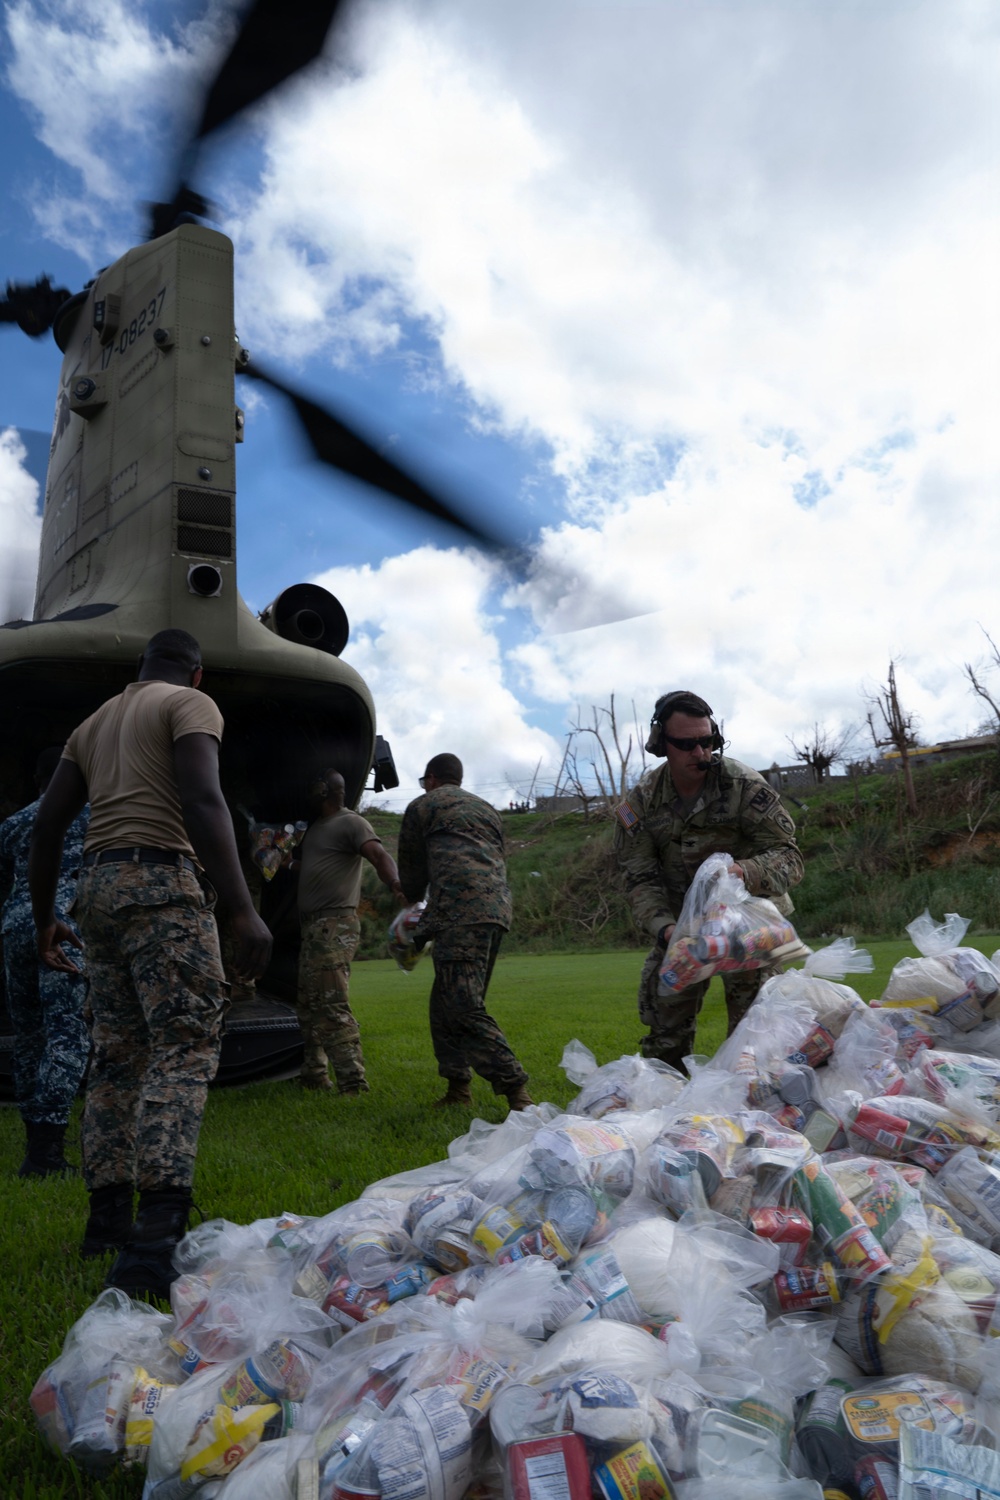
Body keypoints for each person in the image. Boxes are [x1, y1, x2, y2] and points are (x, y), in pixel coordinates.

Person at [28, 628, 272, 1300]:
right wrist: (242, 907)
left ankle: (105, 1222)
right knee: (184, 1046)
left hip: (96, 892)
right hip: (161, 885)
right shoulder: (190, 705)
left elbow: (49, 826)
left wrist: (47, 917)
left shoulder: (94, 722)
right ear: (196, 674)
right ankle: (156, 1238)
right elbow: (201, 798)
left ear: (141, 667)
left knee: (117, 1056)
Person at [614, 690, 803, 1071]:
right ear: (659, 744)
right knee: (663, 1037)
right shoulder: (643, 802)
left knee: (758, 1043)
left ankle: (757, 1119)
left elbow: (789, 857)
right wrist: (666, 930)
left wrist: (742, 872)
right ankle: (663, 1116)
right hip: (682, 932)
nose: (700, 753)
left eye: (708, 741)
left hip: (750, 928)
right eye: (686, 744)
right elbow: (639, 877)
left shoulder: (745, 787)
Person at [397, 753, 532, 1112]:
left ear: (431, 779)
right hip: (496, 910)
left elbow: (411, 868)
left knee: (462, 1006)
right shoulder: (488, 810)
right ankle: (458, 1089)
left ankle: (517, 1092)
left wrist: (410, 901)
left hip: (459, 911)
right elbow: (494, 858)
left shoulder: (424, 804)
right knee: (444, 1002)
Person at [0, 747, 89, 1177]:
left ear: (37, 781)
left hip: (15, 930)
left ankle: (36, 1143)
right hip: (61, 927)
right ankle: (46, 1154)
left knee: (29, 1037)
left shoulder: (12, 824)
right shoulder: (91, 816)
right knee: (68, 1035)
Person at [294, 768, 403, 1093]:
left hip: (334, 925)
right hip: (313, 926)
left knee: (332, 1004)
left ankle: (353, 1083)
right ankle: (314, 1076)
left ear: (326, 789)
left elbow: (378, 855)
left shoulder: (351, 822)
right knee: (308, 1003)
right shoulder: (317, 827)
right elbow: (318, 866)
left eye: (314, 784)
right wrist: (283, 863)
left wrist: (396, 885)